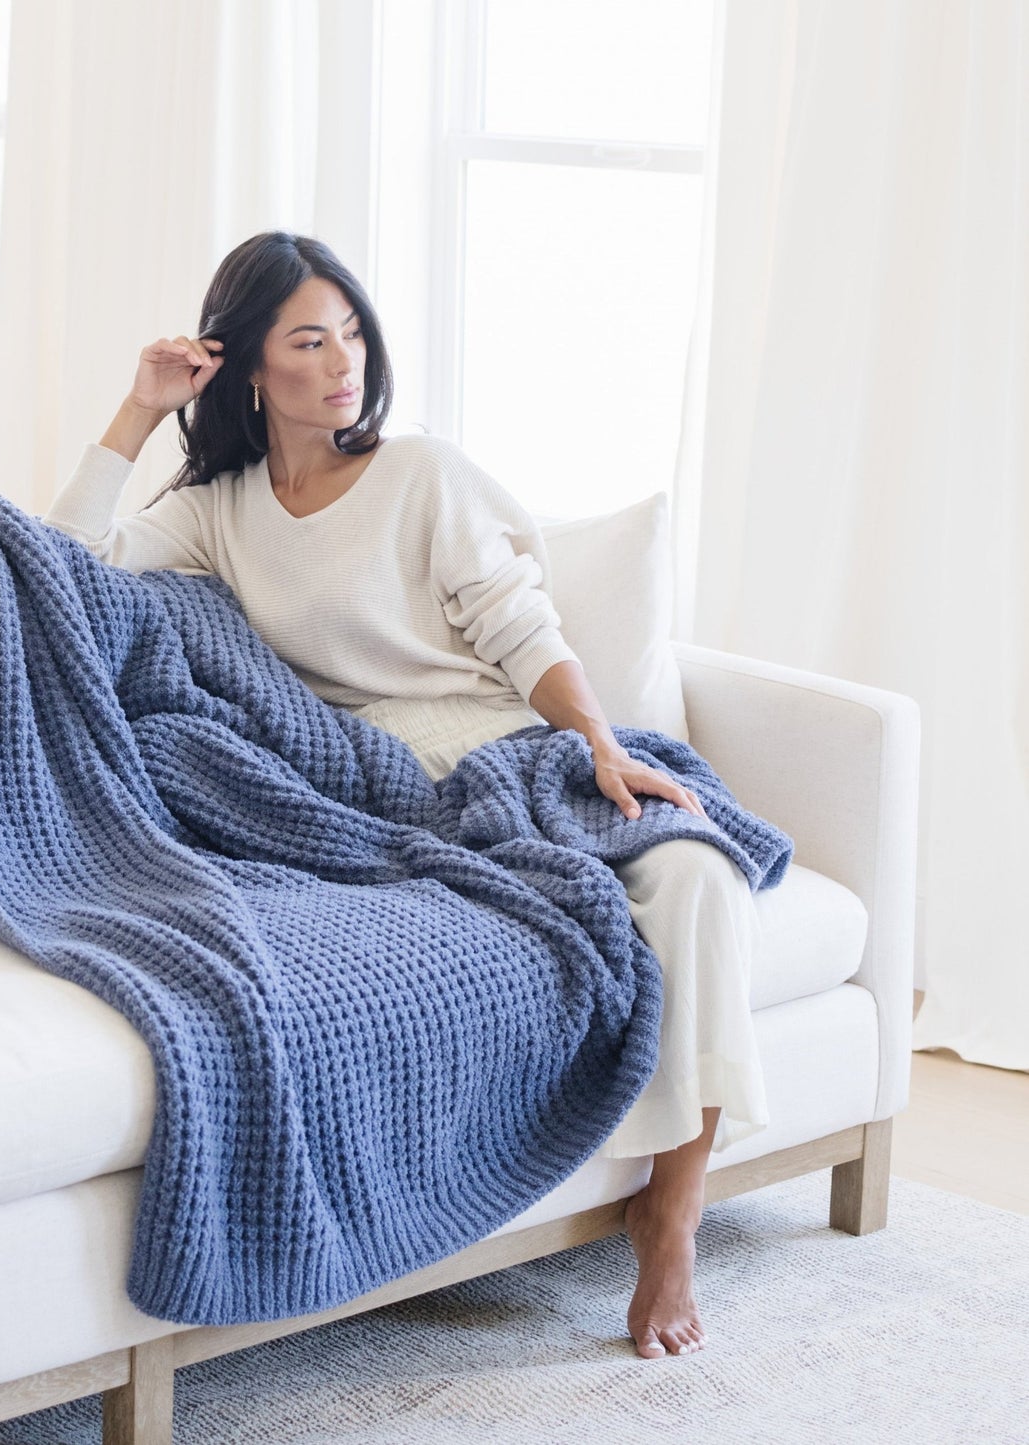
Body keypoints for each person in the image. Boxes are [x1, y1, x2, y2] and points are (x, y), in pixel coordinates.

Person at [41, 230, 770, 1362]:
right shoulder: (215, 511)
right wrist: (136, 410)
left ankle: (670, 1209)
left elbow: (519, 624)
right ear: (243, 365)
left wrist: (592, 741)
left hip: (506, 746)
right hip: (369, 787)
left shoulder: (421, 472)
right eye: (306, 339)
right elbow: (62, 562)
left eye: (350, 333)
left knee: (694, 868)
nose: (341, 361)